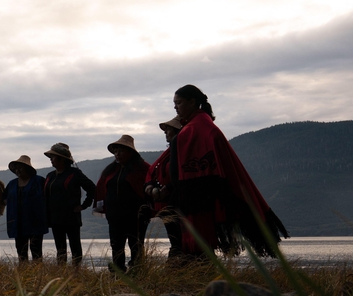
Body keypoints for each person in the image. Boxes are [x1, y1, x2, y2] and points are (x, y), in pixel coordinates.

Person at [171, 84, 288, 256]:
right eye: (174, 104)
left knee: (199, 251)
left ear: (192, 102)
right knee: (196, 251)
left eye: (179, 103)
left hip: (201, 201)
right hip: (195, 199)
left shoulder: (202, 129)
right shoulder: (195, 128)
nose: (175, 107)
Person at [94, 135, 151, 272]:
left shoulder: (142, 169)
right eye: (115, 152)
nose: (117, 155)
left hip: (136, 215)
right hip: (114, 215)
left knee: (136, 244)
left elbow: (148, 186)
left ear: (130, 152)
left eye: (120, 151)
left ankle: (137, 270)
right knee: (116, 245)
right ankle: (117, 271)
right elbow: (101, 188)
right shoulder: (111, 171)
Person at [42, 143, 96, 265]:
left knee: (75, 245)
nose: (51, 160)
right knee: (60, 247)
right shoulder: (50, 176)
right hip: (54, 217)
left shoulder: (75, 173)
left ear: (62, 159)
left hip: (71, 216)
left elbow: (92, 188)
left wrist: (84, 205)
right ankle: (62, 272)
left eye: (53, 157)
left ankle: (76, 271)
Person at [144, 117, 184, 262]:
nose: (165, 132)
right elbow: (152, 171)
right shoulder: (167, 154)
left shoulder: (181, 151)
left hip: (178, 203)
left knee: (180, 238)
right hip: (167, 204)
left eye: (168, 129)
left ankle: (178, 267)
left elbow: (182, 174)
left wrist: (168, 188)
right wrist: (149, 186)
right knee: (174, 238)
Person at [4, 155, 47, 261]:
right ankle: (23, 274)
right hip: (17, 222)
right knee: (21, 252)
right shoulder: (12, 184)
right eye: (16, 168)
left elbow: (49, 197)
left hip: (35, 221)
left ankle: (38, 274)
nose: (17, 170)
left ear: (27, 169)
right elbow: (4, 199)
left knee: (36, 251)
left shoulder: (39, 181)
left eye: (20, 167)